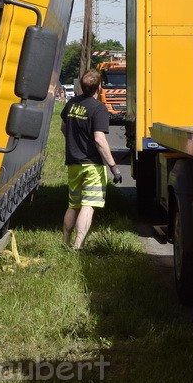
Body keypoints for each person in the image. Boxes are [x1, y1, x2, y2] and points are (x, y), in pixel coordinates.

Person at [61, 69, 121, 250]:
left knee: (74, 204)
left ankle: (65, 242)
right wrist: (113, 165)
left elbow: (64, 128)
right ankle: (78, 247)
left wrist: (74, 144)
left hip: (73, 163)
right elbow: (99, 139)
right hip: (92, 165)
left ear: (80, 85)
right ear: (99, 87)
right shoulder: (98, 108)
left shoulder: (71, 103)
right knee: (88, 205)